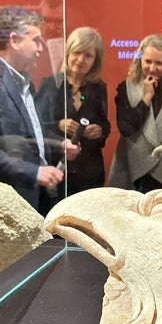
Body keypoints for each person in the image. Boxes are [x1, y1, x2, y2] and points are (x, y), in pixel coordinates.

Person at [0, 6, 80, 214]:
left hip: (31, 196)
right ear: (14, 41)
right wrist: (32, 173)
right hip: (5, 201)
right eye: (35, 41)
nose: (41, 49)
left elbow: (24, 135)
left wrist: (57, 145)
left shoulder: (21, 82)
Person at [108, 34, 162, 193]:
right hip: (135, 166)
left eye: (159, 63)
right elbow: (126, 128)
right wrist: (147, 97)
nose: (153, 68)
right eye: (148, 61)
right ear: (139, 59)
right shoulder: (126, 87)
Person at [35, 26, 111, 200]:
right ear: (68, 53)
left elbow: (105, 125)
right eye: (77, 52)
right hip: (57, 171)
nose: (80, 59)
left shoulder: (99, 88)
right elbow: (35, 128)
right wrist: (59, 125)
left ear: (95, 60)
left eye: (88, 55)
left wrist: (99, 131)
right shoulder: (51, 85)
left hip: (90, 172)